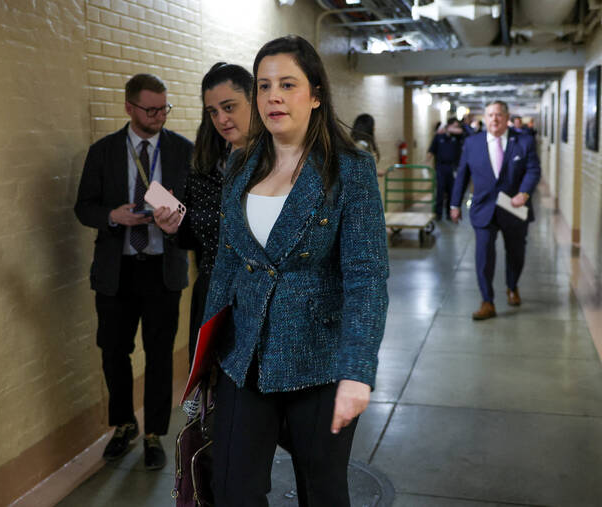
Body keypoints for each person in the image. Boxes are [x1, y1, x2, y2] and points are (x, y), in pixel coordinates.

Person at [202, 35, 389, 506]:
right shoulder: (242, 166)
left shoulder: (350, 169)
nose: (274, 97)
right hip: (244, 357)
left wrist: (357, 372)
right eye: (264, 87)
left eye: (288, 84)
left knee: (322, 489)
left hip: (320, 362)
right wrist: (205, 355)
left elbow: (367, 277)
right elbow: (227, 264)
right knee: (231, 489)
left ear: (316, 94)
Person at [74, 73, 192, 470]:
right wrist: (112, 215)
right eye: (150, 109)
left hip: (163, 270)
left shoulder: (183, 152)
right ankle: (123, 424)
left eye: (164, 108)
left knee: (160, 355)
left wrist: (176, 216)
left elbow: (197, 211)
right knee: (114, 352)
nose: (159, 116)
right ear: (129, 107)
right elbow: (83, 207)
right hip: (116, 271)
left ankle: (155, 433)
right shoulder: (104, 151)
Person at [154, 62, 253, 365]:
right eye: (212, 111)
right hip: (213, 289)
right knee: (213, 396)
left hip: (261, 293)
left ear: (255, 101)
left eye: (229, 107)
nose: (221, 119)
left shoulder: (281, 160)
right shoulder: (206, 161)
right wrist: (172, 226)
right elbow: (194, 235)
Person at [450, 100, 541, 320]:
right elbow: (462, 174)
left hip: (514, 208)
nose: (494, 119)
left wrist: (524, 193)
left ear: (507, 117)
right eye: (490, 115)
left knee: (516, 254)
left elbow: (533, 170)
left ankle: (512, 286)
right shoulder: (473, 143)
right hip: (484, 210)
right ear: (485, 118)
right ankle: (487, 301)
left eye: (499, 115)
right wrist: (454, 204)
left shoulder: (524, 141)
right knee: (483, 257)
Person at [427, 117, 465, 220]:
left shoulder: (457, 137)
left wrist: (450, 129)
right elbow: (431, 151)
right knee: (440, 190)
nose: (456, 129)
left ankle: (449, 214)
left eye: (457, 127)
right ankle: (438, 214)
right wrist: (426, 164)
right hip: (440, 167)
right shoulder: (439, 137)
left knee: (451, 191)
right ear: (448, 125)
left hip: (452, 167)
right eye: (454, 126)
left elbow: (464, 131)